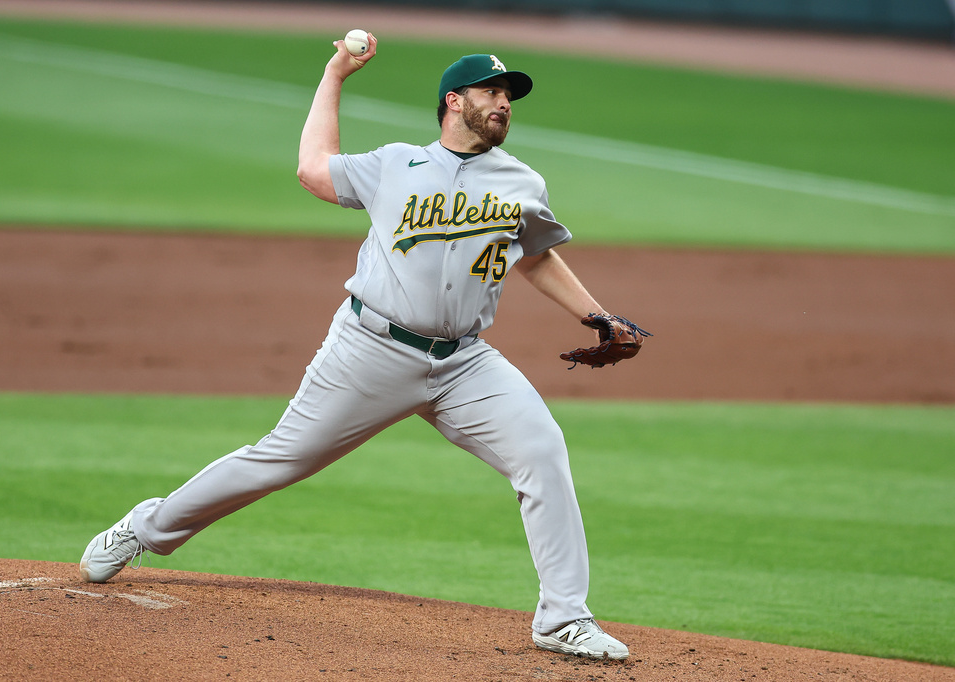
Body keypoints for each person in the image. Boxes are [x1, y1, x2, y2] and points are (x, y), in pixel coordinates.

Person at [80, 33, 633, 660]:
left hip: (464, 363)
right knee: (279, 460)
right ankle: (144, 528)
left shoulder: (521, 181)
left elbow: (535, 256)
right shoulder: (396, 163)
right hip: (371, 349)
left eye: (510, 95)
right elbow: (313, 169)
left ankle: (563, 619)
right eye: (492, 91)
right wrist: (336, 73)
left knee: (543, 451)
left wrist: (598, 315)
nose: (504, 103)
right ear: (454, 101)